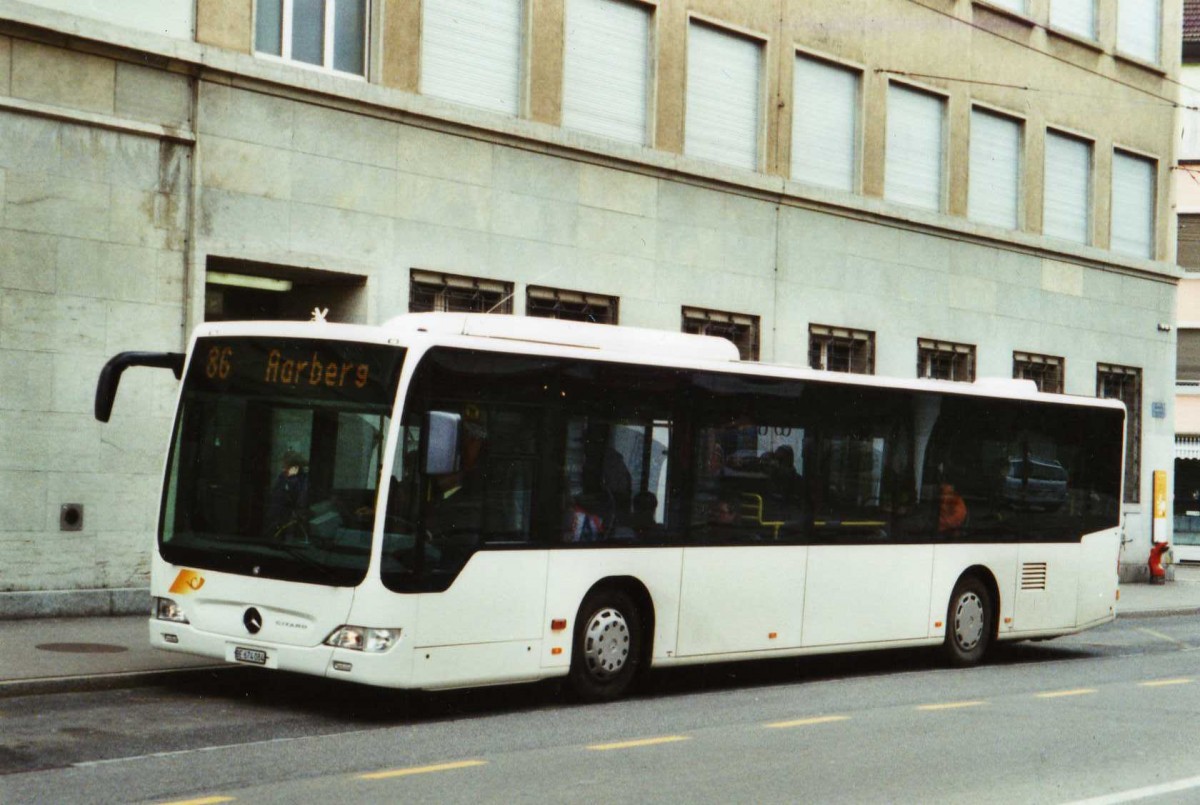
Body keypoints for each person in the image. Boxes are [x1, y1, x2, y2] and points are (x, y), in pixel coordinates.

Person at [265, 451, 309, 540]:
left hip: (289, 518)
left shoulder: (300, 480)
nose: (284, 469)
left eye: (287, 467)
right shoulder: (283, 477)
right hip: (277, 516)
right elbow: (276, 495)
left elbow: (300, 500)